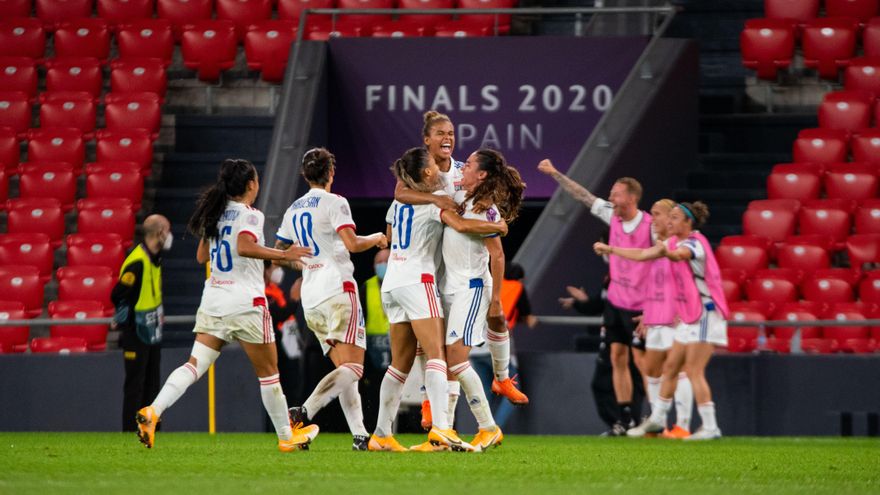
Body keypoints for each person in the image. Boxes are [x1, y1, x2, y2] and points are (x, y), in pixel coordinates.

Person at [134, 158, 315, 452]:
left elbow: (201, 257)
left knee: (194, 366)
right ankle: (286, 437)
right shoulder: (251, 215)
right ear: (251, 185)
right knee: (269, 373)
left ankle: (153, 411)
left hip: (215, 299)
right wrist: (284, 255)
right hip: (246, 303)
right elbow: (244, 246)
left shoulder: (215, 215)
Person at [369, 147, 507, 452]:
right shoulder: (438, 202)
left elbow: (390, 234)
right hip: (419, 280)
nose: (443, 168)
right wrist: (498, 226)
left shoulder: (398, 201)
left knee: (399, 365)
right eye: (434, 164)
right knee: (438, 356)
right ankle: (443, 429)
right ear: (428, 173)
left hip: (391, 281)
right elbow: (461, 225)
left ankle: (380, 433)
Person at [400, 111, 529, 431]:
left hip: (459, 274)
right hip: (429, 265)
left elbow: (479, 213)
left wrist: (495, 223)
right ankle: (438, 411)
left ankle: (478, 408)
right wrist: (437, 199)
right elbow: (400, 194)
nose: (448, 138)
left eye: (452, 133)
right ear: (426, 139)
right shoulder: (421, 173)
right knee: (433, 348)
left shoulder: (461, 174)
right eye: (440, 132)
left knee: (452, 351)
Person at [275, 147, 388, 451]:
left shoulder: (294, 209)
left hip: (311, 298)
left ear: (304, 174)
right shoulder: (335, 202)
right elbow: (352, 243)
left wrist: (303, 264)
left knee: (345, 369)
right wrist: (377, 237)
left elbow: (280, 252)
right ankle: (303, 412)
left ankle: (360, 435)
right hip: (337, 290)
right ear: (330, 173)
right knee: (355, 369)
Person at [594, 201, 728, 440]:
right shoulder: (672, 242)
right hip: (692, 315)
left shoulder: (694, 243)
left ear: (688, 223)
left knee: (694, 370)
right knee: (671, 367)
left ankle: (710, 427)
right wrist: (612, 250)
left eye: (675, 218)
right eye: (670, 217)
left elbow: (679, 256)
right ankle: (658, 419)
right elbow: (643, 254)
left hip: (708, 312)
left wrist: (665, 251)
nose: (669, 222)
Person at [538, 159, 651, 435]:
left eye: (617, 193)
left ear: (632, 197)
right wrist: (555, 173)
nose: (611, 197)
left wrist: (653, 308)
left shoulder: (649, 226)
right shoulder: (612, 216)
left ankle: (654, 417)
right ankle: (625, 419)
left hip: (641, 305)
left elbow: (662, 266)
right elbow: (583, 195)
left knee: (642, 363)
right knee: (617, 358)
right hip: (615, 302)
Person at [633, 199, 694, 439]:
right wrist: (647, 314)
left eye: (657, 214)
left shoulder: (681, 245)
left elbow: (688, 281)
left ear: (670, 218)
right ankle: (658, 425)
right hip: (657, 317)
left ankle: (683, 425)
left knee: (679, 370)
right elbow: (655, 283)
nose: (653, 219)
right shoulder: (659, 246)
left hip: (676, 317)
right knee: (652, 371)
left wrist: (683, 310)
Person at [113, 214, 172, 432]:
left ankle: (151, 428)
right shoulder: (136, 262)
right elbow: (119, 295)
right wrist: (122, 322)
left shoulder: (154, 259)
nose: (169, 235)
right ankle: (130, 430)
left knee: (152, 382)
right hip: (136, 331)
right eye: (167, 230)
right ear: (159, 233)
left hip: (152, 329)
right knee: (135, 384)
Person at [360, 248, 392, 431]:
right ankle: (372, 427)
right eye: (378, 262)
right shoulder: (368, 286)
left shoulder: (401, 284)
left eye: (386, 261)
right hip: (372, 348)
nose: (382, 265)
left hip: (395, 346)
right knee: (372, 391)